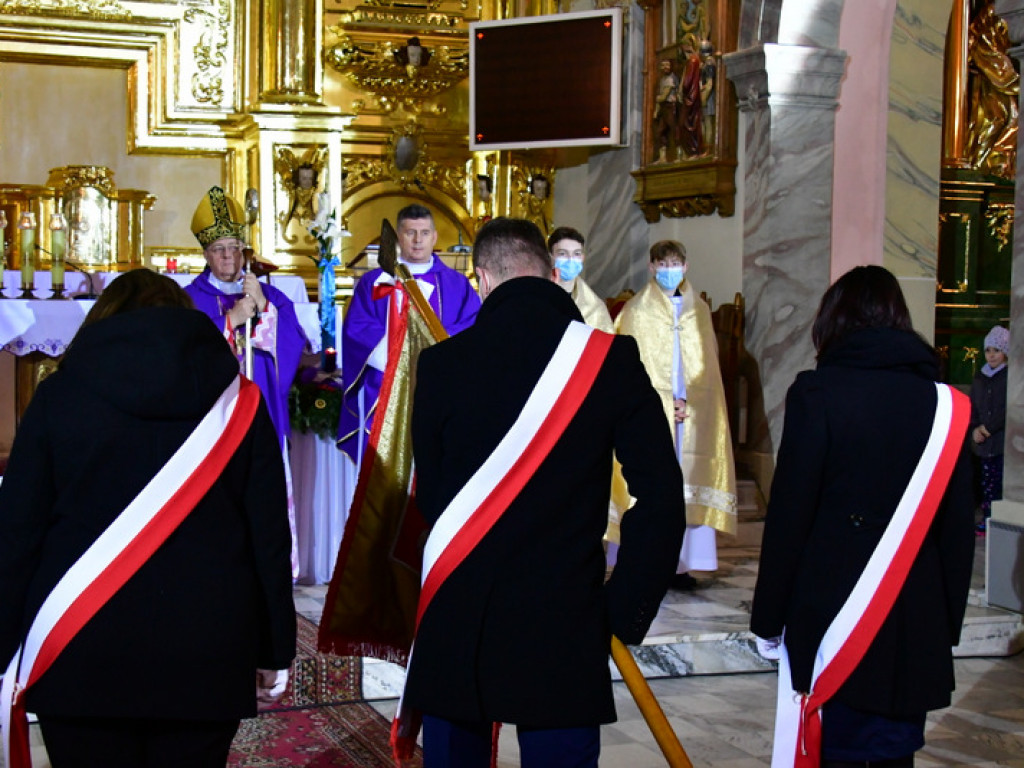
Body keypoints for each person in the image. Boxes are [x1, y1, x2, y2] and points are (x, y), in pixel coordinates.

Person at [403, 218, 685, 767]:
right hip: (564, 622)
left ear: (482, 279)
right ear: (553, 272)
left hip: (461, 618)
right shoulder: (611, 360)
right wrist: (622, 610)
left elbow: (434, 503)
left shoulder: (441, 366)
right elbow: (662, 496)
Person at [0, 269, 296, 768]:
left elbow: (17, 535)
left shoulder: (58, 398)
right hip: (206, 652)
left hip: (80, 648)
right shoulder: (240, 403)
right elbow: (268, 537)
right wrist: (274, 647)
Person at [751, 266, 974, 768]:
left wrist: (768, 619)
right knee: (895, 753)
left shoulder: (819, 394)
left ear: (832, 322)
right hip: (914, 622)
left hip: (835, 617)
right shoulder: (950, 406)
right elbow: (959, 534)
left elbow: (790, 518)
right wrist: (945, 628)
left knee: (837, 750)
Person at [185, 186, 307, 577]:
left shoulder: (271, 295)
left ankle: (269, 569)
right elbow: (188, 356)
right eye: (219, 249)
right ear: (205, 254)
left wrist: (265, 310)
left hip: (262, 416)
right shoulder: (187, 300)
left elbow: (292, 346)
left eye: (235, 247)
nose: (228, 257)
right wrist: (232, 320)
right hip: (214, 420)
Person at [612, 240, 736, 589]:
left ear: (686, 267)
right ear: (651, 268)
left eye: (676, 263)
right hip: (654, 417)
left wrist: (690, 403)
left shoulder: (698, 312)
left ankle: (683, 566)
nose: (670, 270)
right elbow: (634, 368)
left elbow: (706, 372)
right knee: (655, 489)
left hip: (692, 418)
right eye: (663, 264)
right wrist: (664, 404)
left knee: (686, 487)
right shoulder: (636, 312)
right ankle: (650, 565)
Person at [338, 203, 480, 464]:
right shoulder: (375, 282)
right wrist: (401, 354)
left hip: (439, 386)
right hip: (386, 387)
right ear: (397, 236)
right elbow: (359, 329)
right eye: (410, 232)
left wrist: (432, 347)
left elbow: (472, 327)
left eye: (424, 233)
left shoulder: (456, 284)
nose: (417, 240)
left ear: (434, 237)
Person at [970, 324, 1009, 534]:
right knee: (985, 482)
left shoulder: (1009, 377)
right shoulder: (979, 377)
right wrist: (975, 427)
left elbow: (1007, 408)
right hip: (982, 444)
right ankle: (986, 518)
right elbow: (973, 405)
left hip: (1000, 441)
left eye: (997, 350)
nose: (992, 355)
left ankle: (995, 520)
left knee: (998, 482)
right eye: (988, 350)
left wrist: (988, 428)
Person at [547, 226, 613, 333]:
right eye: (562, 253)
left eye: (576, 254)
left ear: (582, 258)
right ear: (550, 257)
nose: (570, 259)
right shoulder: (536, 296)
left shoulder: (595, 307)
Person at [677, 36, 704, 157]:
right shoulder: (691, 60)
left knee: (687, 124)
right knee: (686, 123)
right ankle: (691, 151)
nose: (684, 47)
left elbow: (688, 81)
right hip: (690, 96)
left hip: (691, 96)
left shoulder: (693, 60)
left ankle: (694, 150)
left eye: (686, 44)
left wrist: (682, 89)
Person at [653, 58, 679, 163]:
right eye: (663, 65)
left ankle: (680, 153)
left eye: (667, 65)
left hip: (670, 106)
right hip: (664, 108)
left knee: (674, 129)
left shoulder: (671, 78)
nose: (665, 67)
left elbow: (663, 96)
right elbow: (660, 99)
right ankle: (662, 157)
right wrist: (656, 110)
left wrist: (658, 98)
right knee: (660, 132)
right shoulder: (662, 80)